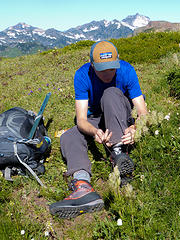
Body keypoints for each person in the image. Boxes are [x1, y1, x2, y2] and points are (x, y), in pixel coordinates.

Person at [49, 40, 148, 218]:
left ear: (118, 62)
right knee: (68, 137)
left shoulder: (127, 70)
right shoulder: (82, 75)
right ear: (92, 65)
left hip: (120, 113)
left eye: (112, 68)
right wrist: (95, 132)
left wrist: (135, 128)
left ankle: (119, 157)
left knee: (110, 93)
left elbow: (142, 111)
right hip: (96, 118)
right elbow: (81, 120)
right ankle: (82, 186)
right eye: (102, 69)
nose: (108, 73)